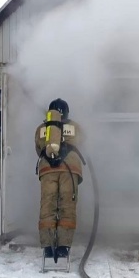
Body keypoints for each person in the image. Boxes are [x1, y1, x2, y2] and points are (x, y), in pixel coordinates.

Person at [35, 98, 84, 262]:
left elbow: (38, 148)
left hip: (47, 169)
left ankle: (48, 249)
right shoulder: (75, 127)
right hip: (70, 170)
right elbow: (83, 144)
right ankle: (63, 248)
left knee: (47, 206)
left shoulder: (41, 129)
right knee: (67, 207)